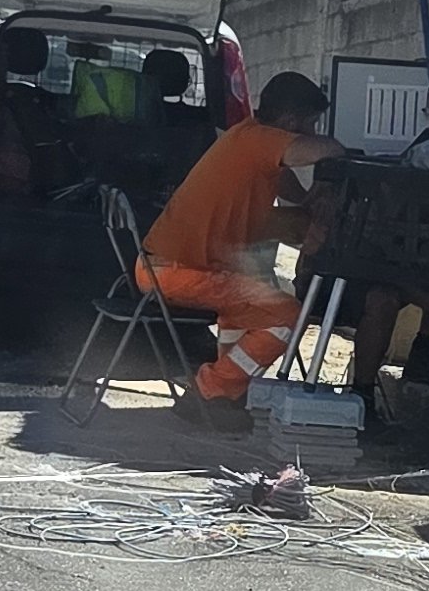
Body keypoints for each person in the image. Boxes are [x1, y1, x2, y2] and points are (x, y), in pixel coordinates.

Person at [136, 68, 335, 402]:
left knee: (246, 307)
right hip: (175, 272)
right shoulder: (257, 141)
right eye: (311, 122)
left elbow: (292, 198)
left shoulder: (248, 141)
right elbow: (326, 149)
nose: (314, 131)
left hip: (166, 267)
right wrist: (339, 163)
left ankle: (230, 392)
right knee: (288, 314)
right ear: (289, 121)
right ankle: (211, 390)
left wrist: (312, 204)